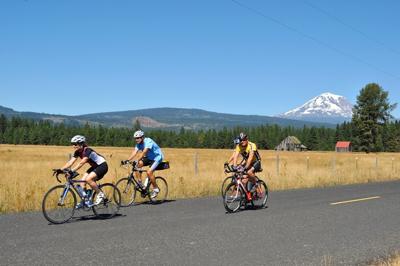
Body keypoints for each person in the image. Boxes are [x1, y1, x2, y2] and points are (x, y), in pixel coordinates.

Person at [59, 135, 108, 208]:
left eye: (75, 144)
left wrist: (72, 171)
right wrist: (60, 169)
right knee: (82, 182)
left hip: (102, 166)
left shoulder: (88, 150)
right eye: (72, 144)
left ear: (81, 144)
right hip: (95, 167)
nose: (73, 146)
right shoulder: (77, 152)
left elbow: (82, 163)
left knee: (88, 179)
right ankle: (85, 200)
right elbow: (70, 162)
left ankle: (101, 195)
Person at [125, 130, 164, 199]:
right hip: (149, 158)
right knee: (137, 165)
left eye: (138, 138)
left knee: (149, 172)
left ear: (142, 137)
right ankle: (140, 183)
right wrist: (128, 160)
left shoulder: (148, 141)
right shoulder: (138, 144)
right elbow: (134, 152)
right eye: (135, 138)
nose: (136, 140)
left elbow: (144, 152)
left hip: (157, 157)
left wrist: (137, 160)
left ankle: (156, 189)